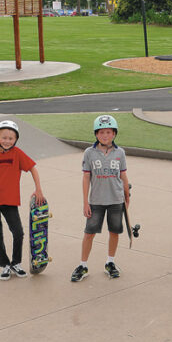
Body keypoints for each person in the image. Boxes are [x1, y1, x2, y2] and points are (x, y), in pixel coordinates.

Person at [0, 120, 46, 280]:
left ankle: (16, 263)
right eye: (4, 138)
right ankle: (5, 265)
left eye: (11, 138)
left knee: (18, 233)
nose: (7, 141)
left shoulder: (17, 153)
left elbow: (33, 168)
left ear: (16, 139)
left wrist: (38, 189)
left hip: (10, 201)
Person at [71, 115, 130, 282]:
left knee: (114, 232)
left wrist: (127, 195)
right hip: (96, 201)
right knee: (89, 233)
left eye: (109, 132)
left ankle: (110, 262)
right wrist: (85, 202)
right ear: (96, 134)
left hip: (116, 200)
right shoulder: (89, 153)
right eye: (101, 132)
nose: (105, 135)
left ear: (114, 134)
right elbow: (86, 178)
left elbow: (123, 176)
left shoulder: (120, 153)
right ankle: (83, 265)